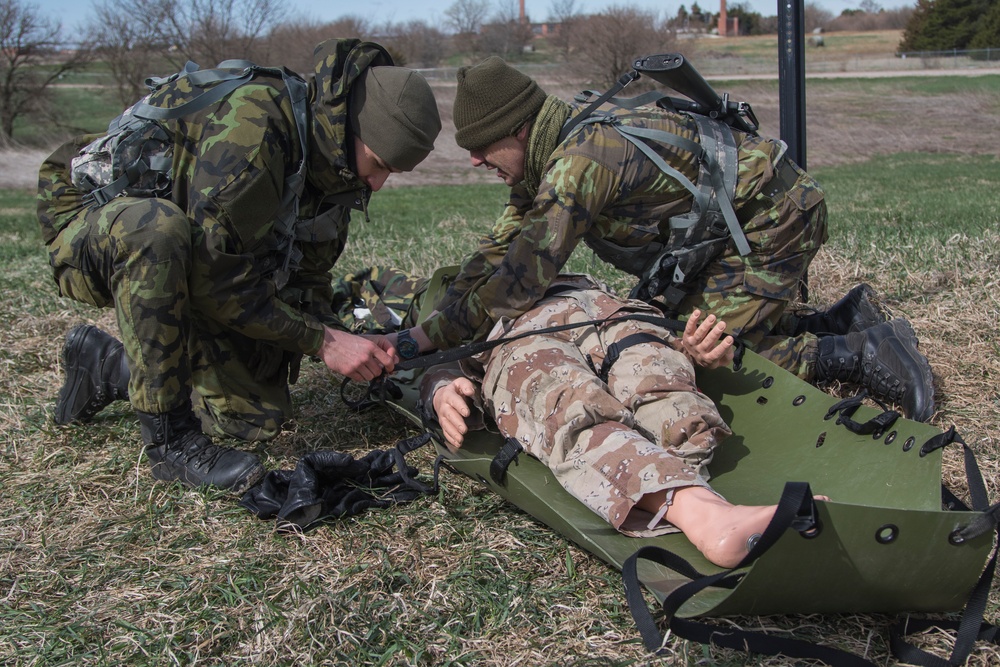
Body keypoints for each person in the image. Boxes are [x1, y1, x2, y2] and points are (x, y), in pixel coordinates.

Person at [390, 56, 934, 423]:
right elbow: (494, 254)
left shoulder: (578, 163)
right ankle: (842, 317)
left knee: (695, 353)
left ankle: (857, 352)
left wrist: (422, 342)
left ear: (517, 129)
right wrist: (419, 332)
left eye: (482, 145)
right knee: (677, 327)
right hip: (736, 230)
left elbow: (517, 283)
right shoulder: (553, 153)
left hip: (773, 223)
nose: (474, 160)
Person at [35, 38, 442, 493]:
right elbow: (214, 278)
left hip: (191, 262)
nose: (379, 184)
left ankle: (108, 364)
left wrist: (343, 338)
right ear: (354, 129)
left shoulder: (335, 170)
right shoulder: (253, 131)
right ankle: (170, 439)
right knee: (158, 229)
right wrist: (323, 341)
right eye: (380, 164)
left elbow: (305, 279)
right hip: (93, 225)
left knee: (251, 417)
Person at [419, 274, 801, 569]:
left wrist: (691, 350)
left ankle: (664, 478)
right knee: (567, 407)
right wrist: (440, 389)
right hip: (517, 338)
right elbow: (438, 352)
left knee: (669, 397)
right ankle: (706, 515)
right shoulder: (459, 298)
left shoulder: (540, 264)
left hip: (609, 312)